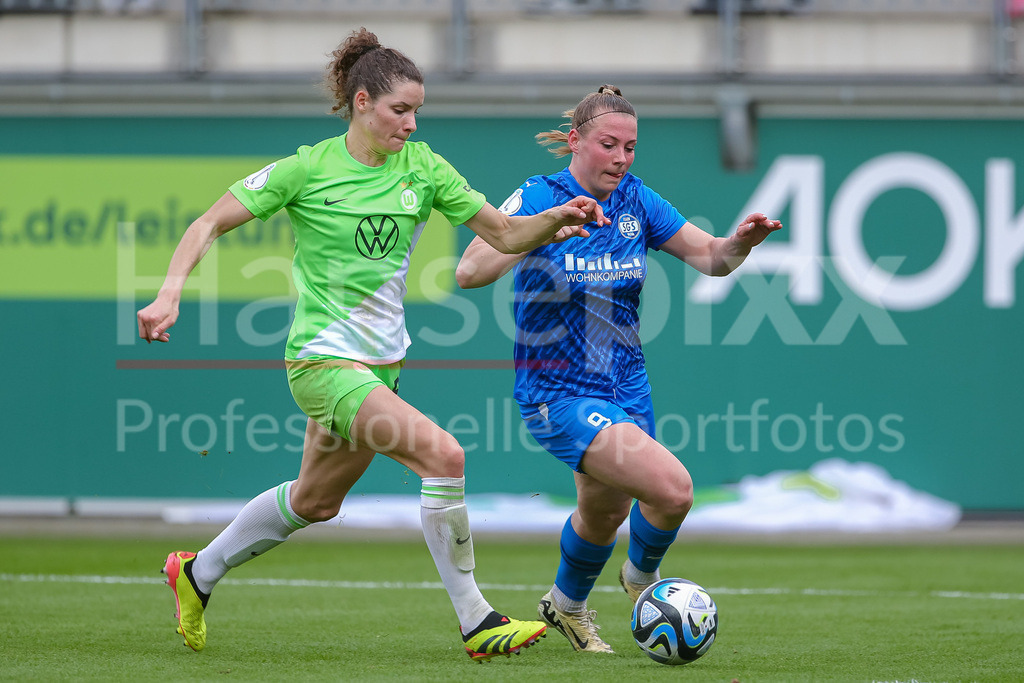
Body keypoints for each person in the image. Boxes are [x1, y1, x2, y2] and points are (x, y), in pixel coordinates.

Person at [136, 28, 608, 661]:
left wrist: (556, 218)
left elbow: (501, 234)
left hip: (381, 368)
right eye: (399, 110)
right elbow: (207, 223)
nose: (411, 123)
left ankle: (195, 574)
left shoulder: (425, 168)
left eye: (417, 111)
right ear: (361, 102)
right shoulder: (308, 167)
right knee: (443, 456)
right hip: (323, 362)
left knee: (315, 500)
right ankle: (478, 621)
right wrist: (169, 294)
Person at [455, 85, 782, 653]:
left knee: (603, 512)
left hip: (625, 385)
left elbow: (712, 259)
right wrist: (545, 226)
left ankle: (566, 605)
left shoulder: (638, 201)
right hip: (556, 391)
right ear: (577, 141)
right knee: (674, 491)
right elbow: (470, 271)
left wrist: (741, 242)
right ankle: (641, 580)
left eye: (630, 148)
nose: (621, 159)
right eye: (610, 145)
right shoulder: (539, 194)